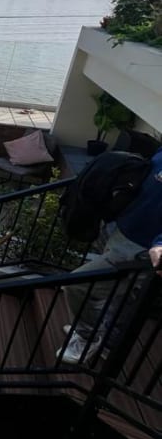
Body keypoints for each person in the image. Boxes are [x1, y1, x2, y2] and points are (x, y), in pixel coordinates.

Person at [60, 146, 162, 364]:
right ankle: (108, 341)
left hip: (141, 249)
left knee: (77, 285)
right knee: (121, 294)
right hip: (121, 231)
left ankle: (88, 336)